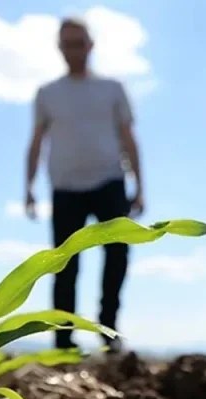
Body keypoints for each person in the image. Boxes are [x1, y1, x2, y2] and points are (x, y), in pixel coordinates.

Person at [24, 16, 144, 353]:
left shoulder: (112, 89)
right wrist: (29, 188)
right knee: (64, 264)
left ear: (90, 46)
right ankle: (63, 340)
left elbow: (128, 137)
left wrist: (140, 186)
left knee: (117, 256)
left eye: (79, 43)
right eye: (67, 44)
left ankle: (109, 330)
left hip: (110, 182)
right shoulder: (48, 93)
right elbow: (36, 141)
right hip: (65, 189)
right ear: (59, 48)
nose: (74, 50)